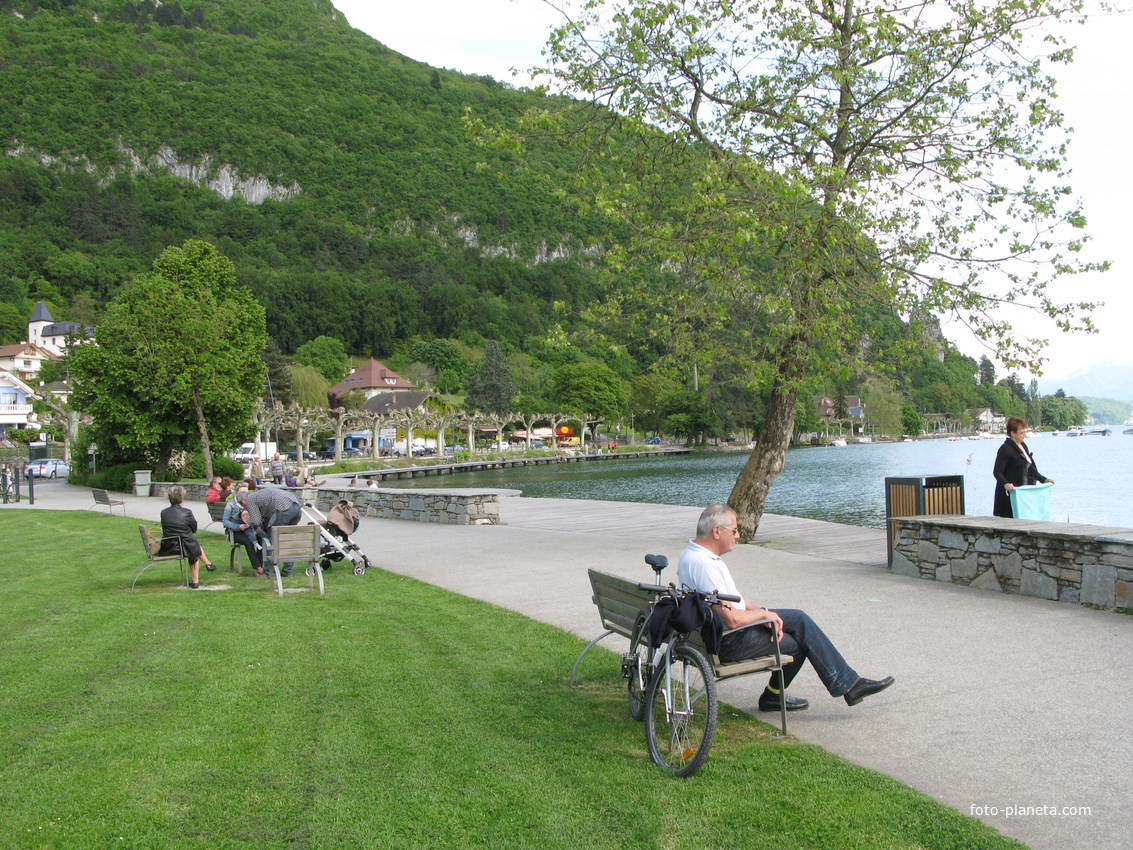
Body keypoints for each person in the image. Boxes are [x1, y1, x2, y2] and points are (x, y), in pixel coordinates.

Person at [677, 504, 894, 712]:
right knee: (798, 643)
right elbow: (732, 619)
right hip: (729, 640)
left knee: (798, 619)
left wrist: (765, 612)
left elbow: (734, 599)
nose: (738, 535)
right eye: (734, 530)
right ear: (717, 531)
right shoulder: (705, 565)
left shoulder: (695, 554)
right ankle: (778, 696)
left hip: (718, 632)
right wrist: (763, 615)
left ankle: (848, 684)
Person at [993, 417, 1054, 518]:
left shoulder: (1023, 446)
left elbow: (1030, 469)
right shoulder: (1005, 449)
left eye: (1025, 432)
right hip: (1010, 495)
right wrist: (1006, 484)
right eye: (1022, 433)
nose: (1024, 435)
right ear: (1013, 433)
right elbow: (997, 472)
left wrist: (1044, 480)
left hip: (1024, 495)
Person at [160, 485, 215, 589]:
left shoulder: (164, 512)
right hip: (183, 548)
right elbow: (194, 528)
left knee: (191, 543)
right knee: (192, 545)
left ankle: (208, 565)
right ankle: (197, 578)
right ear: (182, 498)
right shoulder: (187, 512)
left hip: (168, 547)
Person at [243, 486, 303, 576]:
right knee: (288, 540)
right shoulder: (260, 495)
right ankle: (287, 571)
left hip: (283, 509)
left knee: (271, 541)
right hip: (296, 507)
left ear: (243, 501)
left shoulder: (250, 500)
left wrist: (255, 527)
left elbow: (256, 520)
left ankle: (269, 572)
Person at [222, 484, 266, 577]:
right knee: (248, 542)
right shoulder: (230, 505)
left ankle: (259, 567)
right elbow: (225, 521)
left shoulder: (250, 504)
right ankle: (258, 568)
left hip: (250, 529)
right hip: (235, 532)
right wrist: (238, 526)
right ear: (243, 501)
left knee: (260, 540)